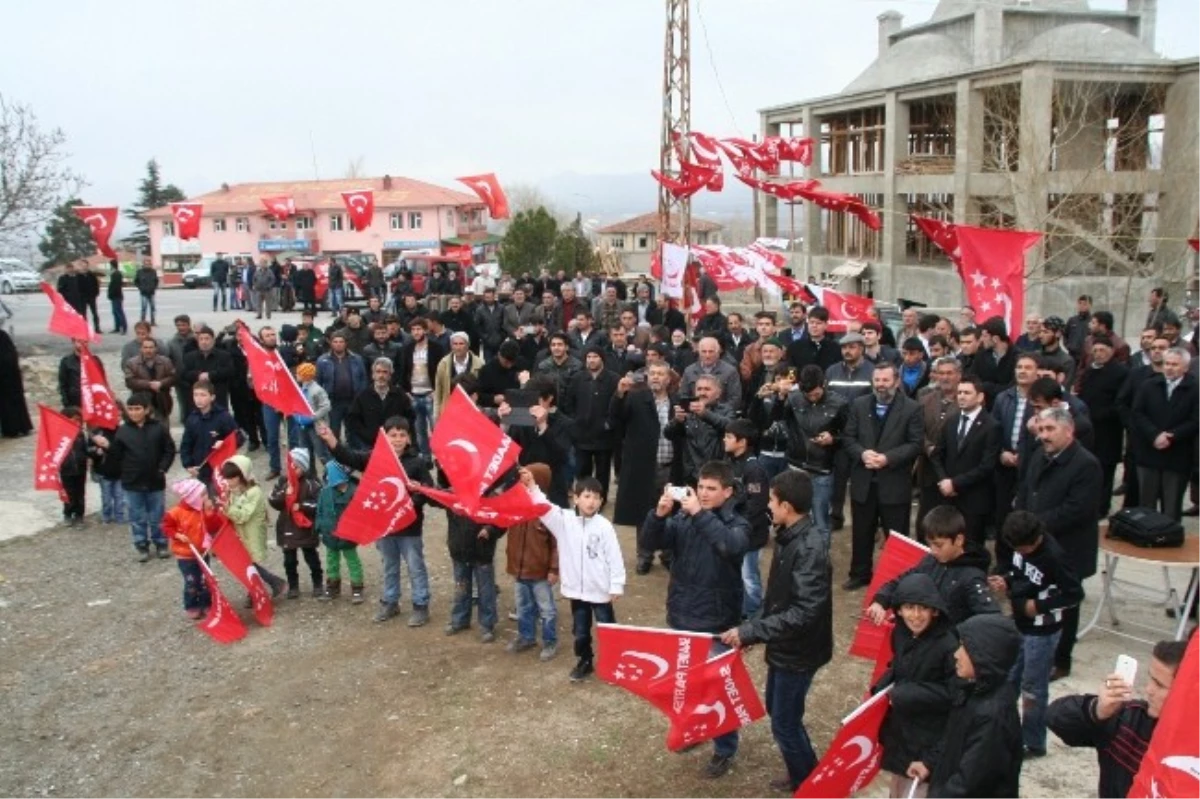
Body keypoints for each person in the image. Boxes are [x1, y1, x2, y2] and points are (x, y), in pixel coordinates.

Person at [720, 469, 832, 792]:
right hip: (785, 645)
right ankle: (804, 771)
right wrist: (756, 629)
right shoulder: (789, 535)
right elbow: (779, 597)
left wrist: (753, 631)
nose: (767, 504)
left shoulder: (808, 548)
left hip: (799, 651)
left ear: (786, 505)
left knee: (784, 722)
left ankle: (808, 781)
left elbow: (804, 612)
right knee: (780, 712)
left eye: (771, 499)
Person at [640, 461, 750, 779]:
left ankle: (725, 748)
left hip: (716, 623)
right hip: (682, 614)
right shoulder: (684, 517)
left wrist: (698, 514)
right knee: (687, 686)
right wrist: (659, 515)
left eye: (711, 489)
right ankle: (697, 731)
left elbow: (729, 547)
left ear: (727, 492)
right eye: (700, 487)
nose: (702, 493)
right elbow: (651, 543)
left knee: (717, 690)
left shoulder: (738, 524)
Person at [1016, 407, 1103, 680]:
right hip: (1038, 545)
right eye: (1041, 430)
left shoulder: (1086, 464)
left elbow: (1077, 509)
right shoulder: (1039, 457)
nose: (1044, 435)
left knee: (1066, 606)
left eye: (1050, 429)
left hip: (1069, 547)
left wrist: (1033, 525)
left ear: (1069, 430)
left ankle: (1061, 660)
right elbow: (1027, 491)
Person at [321, 417, 434, 627]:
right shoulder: (375, 458)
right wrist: (331, 441)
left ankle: (421, 604)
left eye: (402, 435)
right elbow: (350, 457)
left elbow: (428, 490)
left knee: (415, 566)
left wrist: (412, 500)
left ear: (409, 438)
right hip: (383, 526)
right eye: (393, 435)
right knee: (389, 565)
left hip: (409, 528)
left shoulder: (417, 463)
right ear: (385, 437)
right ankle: (390, 601)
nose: (398, 440)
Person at [989, 511, 1083, 758]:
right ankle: (1003, 729)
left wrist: (1039, 607)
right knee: (1009, 678)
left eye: (1023, 548)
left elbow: (1074, 594)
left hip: (1043, 631)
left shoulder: (1055, 557)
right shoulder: (1020, 550)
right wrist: (1007, 581)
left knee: (1033, 688)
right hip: (1020, 623)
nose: (1019, 553)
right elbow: (1021, 574)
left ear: (1035, 539)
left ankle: (1033, 742)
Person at [1047, 637, 1190, 799]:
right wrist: (1097, 710)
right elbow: (1055, 717)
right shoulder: (1130, 721)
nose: (1148, 689)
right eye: (1150, 678)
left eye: (1160, 685)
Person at [522, 470, 625, 683]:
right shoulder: (564, 522)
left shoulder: (604, 527)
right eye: (587, 496)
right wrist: (532, 486)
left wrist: (616, 585)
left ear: (601, 501)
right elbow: (545, 508)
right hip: (577, 591)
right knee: (580, 630)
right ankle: (584, 660)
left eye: (596, 497)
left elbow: (615, 557)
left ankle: (615, 662)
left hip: (601, 590)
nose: (592, 501)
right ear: (576, 498)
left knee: (608, 628)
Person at [914, 614, 1023, 799]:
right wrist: (929, 763)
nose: (956, 654)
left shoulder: (992, 715)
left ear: (985, 656)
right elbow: (954, 737)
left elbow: (969, 783)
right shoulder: (973, 690)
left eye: (964, 647)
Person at [870, 574, 958, 799]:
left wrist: (906, 694)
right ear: (898, 610)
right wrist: (882, 688)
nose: (916, 616)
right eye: (909, 607)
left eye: (923, 609)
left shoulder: (948, 646)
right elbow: (898, 665)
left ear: (935, 611)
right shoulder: (900, 633)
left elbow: (956, 695)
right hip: (903, 731)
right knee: (898, 787)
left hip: (929, 737)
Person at [842, 362, 924, 589]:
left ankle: (898, 579)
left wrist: (888, 458)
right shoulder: (859, 405)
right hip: (864, 482)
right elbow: (848, 438)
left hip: (894, 482)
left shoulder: (912, 408)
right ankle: (860, 574)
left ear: (896, 381)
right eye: (877, 380)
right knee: (861, 532)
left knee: (897, 536)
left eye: (885, 380)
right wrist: (862, 453)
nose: (880, 385)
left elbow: (915, 444)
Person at [867, 506, 998, 626]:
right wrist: (881, 601)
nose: (933, 550)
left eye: (939, 545)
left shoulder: (973, 577)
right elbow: (904, 581)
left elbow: (992, 619)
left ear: (958, 540)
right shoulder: (930, 561)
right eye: (930, 544)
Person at [611, 363, 684, 567]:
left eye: (660, 374)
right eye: (652, 373)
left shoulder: (677, 402)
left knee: (671, 510)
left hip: (670, 466)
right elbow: (616, 419)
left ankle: (668, 553)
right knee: (644, 512)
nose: (655, 377)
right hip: (644, 466)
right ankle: (644, 554)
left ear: (668, 379)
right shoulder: (635, 398)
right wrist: (619, 395)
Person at [91, 392, 177, 561]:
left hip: (155, 480)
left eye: (137, 409)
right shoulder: (123, 431)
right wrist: (107, 446)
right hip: (132, 482)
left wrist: (162, 468)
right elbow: (117, 455)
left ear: (146, 410)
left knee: (157, 516)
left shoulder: (158, 428)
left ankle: (161, 543)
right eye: (130, 409)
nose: (133, 412)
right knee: (137, 517)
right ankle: (141, 545)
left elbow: (169, 450)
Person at [773, 364, 848, 545]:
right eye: (807, 395)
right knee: (792, 516)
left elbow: (850, 434)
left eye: (815, 394)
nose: (811, 397)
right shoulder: (794, 398)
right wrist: (780, 398)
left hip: (822, 468)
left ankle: (820, 560)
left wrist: (834, 438)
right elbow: (779, 419)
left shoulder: (840, 403)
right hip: (795, 465)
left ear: (824, 384)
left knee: (821, 520)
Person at [930, 375, 1001, 552]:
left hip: (974, 499)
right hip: (948, 497)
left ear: (980, 397)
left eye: (967, 393)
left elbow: (987, 466)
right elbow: (937, 455)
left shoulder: (992, 426)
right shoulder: (951, 421)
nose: (961, 396)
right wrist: (944, 481)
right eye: (959, 392)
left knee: (971, 547)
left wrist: (955, 483)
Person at [1131, 346, 1200, 521]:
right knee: (1147, 502)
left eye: (1175, 364)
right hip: (1149, 450)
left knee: (1171, 505)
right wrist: (1154, 435)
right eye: (1166, 363)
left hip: (1177, 454)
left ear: (1185, 367)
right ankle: (1146, 534)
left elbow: (1196, 420)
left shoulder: (1195, 389)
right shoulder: (1149, 385)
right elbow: (1138, 412)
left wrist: (1172, 436)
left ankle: (1168, 536)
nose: (1169, 368)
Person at [504, 463, 559, 662]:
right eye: (521, 479)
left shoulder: (547, 511)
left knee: (547, 609)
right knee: (523, 607)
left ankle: (550, 641)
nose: (522, 483)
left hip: (540, 573)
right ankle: (526, 637)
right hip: (519, 571)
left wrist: (554, 568)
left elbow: (556, 544)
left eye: (527, 479)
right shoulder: (516, 505)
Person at [217, 455, 286, 603]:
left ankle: (273, 583)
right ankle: (258, 590)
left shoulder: (254, 492)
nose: (227, 481)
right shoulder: (234, 491)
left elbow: (243, 515)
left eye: (230, 478)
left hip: (252, 533)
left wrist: (226, 509)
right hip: (242, 533)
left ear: (241, 476)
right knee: (246, 562)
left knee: (248, 563)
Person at [1077, 335, 1130, 516]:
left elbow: (1121, 402)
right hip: (1089, 429)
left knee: (1105, 470)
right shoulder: (1090, 371)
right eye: (1096, 351)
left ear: (1112, 351)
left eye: (1102, 350)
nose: (1098, 354)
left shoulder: (1120, 373)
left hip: (1109, 430)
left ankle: (1102, 507)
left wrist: (1100, 414)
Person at [723, 419, 770, 619]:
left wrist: (738, 526)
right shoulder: (730, 463)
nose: (724, 440)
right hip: (735, 531)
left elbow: (756, 505)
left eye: (729, 437)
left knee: (748, 575)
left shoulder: (754, 469)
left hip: (750, 534)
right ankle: (741, 608)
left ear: (742, 442)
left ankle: (753, 612)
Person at [444, 497, 505, 644]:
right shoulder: (453, 495)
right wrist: (420, 488)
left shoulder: (490, 496)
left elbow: (502, 520)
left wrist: (489, 529)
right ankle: (460, 620)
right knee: (461, 588)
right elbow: (434, 497)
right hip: (460, 551)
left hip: (482, 552)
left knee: (486, 591)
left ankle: (487, 625)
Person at [563, 347, 619, 505]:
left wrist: (609, 423)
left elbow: (618, 405)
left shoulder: (613, 379)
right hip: (582, 434)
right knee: (582, 471)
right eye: (589, 356)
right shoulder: (577, 378)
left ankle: (600, 499)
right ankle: (582, 499)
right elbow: (569, 403)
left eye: (595, 356)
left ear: (601, 358)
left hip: (603, 436)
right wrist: (574, 422)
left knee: (603, 472)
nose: (591, 360)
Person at [161, 479, 223, 619]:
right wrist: (177, 535)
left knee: (206, 579)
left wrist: (209, 513)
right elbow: (166, 527)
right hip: (186, 556)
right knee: (191, 581)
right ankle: (191, 605)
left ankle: (206, 603)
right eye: (203, 495)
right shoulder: (175, 512)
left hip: (202, 552)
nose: (207, 497)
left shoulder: (202, 511)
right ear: (193, 498)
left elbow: (214, 527)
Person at [267, 448, 324, 599]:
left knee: (311, 557)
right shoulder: (283, 482)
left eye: (296, 466)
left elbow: (320, 504)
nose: (292, 469)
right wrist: (284, 493)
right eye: (290, 466)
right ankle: (293, 585)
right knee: (289, 560)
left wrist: (303, 506)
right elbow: (273, 501)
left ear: (304, 467)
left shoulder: (312, 483)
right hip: (287, 526)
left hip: (305, 528)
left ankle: (318, 583)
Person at [314, 462, 364, 604]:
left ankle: (357, 587)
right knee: (331, 561)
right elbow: (320, 511)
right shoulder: (325, 492)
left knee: (352, 561)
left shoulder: (354, 491)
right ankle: (332, 587)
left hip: (348, 535)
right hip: (330, 534)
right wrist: (319, 527)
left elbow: (359, 514)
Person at [665, 374, 732, 479]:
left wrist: (705, 414)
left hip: (715, 471)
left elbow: (730, 426)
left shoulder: (726, 410)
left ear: (718, 393)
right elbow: (668, 434)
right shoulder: (687, 411)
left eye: (707, 389)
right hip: (689, 473)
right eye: (699, 389)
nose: (702, 393)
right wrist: (677, 421)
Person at [397, 317, 444, 458]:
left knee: (437, 429)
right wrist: (406, 391)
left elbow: (442, 371)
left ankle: (441, 457)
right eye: (413, 330)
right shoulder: (407, 348)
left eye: (418, 329)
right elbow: (402, 371)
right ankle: (426, 457)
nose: (416, 332)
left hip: (430, 393)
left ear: (425, 330)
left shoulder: (436, 348)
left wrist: (437, 390)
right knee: (419, 430)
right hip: (414, 394)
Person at [179, 380, 240, 486]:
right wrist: (188, 465)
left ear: (212, 397)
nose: (198, 399)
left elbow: (239, 437)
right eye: (195, 395)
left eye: (203, 395)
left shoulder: (223, 417)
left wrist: (224, 443)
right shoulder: (192, 418)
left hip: (219, 469)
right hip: (200, 469)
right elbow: (186, 444)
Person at [317, 332, 368, 444]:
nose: (338, 344)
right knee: (334, 431)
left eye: (341, 342)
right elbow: (318, 382)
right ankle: (336, 457)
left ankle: (354, 457)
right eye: (335, 342)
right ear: (331, 343)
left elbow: (363, 378)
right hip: (333, 402)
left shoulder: (357, 359)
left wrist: (361, 397)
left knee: (353, 432)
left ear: (346, 344)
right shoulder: (322, 361)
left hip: (352, 401)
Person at [180, 325, 235, 414]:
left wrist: (210, 375)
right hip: (196, 401)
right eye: (201, 339)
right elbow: (183, 374)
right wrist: (198, 375)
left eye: (207, 339)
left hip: (218, 398)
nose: (204, 342)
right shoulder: (189, 356)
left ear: (213, 340)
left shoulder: (224, 356)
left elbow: (229, 371)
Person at [681, 336, 742, 410]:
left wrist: (717, 413)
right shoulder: (689, 371)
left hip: (721, 417)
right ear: (699, 352)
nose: (707, 355)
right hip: (695, 416)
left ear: (718, 352)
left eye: (711, 351)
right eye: (704, 351)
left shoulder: (730, 372)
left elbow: (735, 399)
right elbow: (683, 396)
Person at [87, 417, 126, 525]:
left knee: (119, 497)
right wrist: (96, 452)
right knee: (106, 497)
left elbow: (125, 451)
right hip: (104, 471)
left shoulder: (122, 431)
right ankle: (106, 516)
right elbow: (89, 450)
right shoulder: (96, 433)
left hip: (119, 471)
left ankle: (119, 516)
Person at [434, 332, 482, 418]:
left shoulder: (479, 364)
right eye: (455, 344)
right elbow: (438, 391)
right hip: (450, 410)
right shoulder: (443, 364)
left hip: (471, 410)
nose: (458, 347)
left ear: (467, 345)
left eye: (461, 344)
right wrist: (437, 414)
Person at [58, 407, 89, 527]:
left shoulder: (81, 435)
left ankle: (79, 515)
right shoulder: (60, 436)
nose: (75, 423)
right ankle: (68, 513)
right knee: (68, 493)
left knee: (80, 494)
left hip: (81, 469)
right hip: (66, 470)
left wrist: (93, 452)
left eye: (78, 420)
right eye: (71, 420)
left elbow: (85, 450)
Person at [0, 329, 33, 438]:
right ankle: (22, 428)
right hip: (11, 378)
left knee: (8, 405)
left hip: (7, 378)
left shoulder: (2, 336)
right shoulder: (3, 335)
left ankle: (13, 430)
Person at [787, 306, 840, 372]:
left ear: (826, 325)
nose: (814, 326)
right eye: (811, 322)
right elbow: (791, 371)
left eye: (818, 323)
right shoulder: (795, 347)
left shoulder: (835, 348)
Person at [134, 258, 158, 326]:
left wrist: (154, 287)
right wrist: (140, 288)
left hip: (151, 292)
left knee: (153, 308)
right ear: (143, 264)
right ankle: (143, 321)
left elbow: (156, 281)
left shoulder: (153, 271)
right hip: (143, 293)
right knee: (144, 308)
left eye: (148, 264)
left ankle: (153, 321)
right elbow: (136, 281)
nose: (147, 265)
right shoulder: (140, 272)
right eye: (146, 264)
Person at [107, 259, 127, 334]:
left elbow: (115, 286)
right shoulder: (115, 274)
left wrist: (110, 294)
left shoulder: (116, 274)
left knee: (119, 311)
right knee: (115, 312)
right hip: (115, 296)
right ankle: (117, 327)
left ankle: (123, 327)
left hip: (116, 296)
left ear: (112, 266)